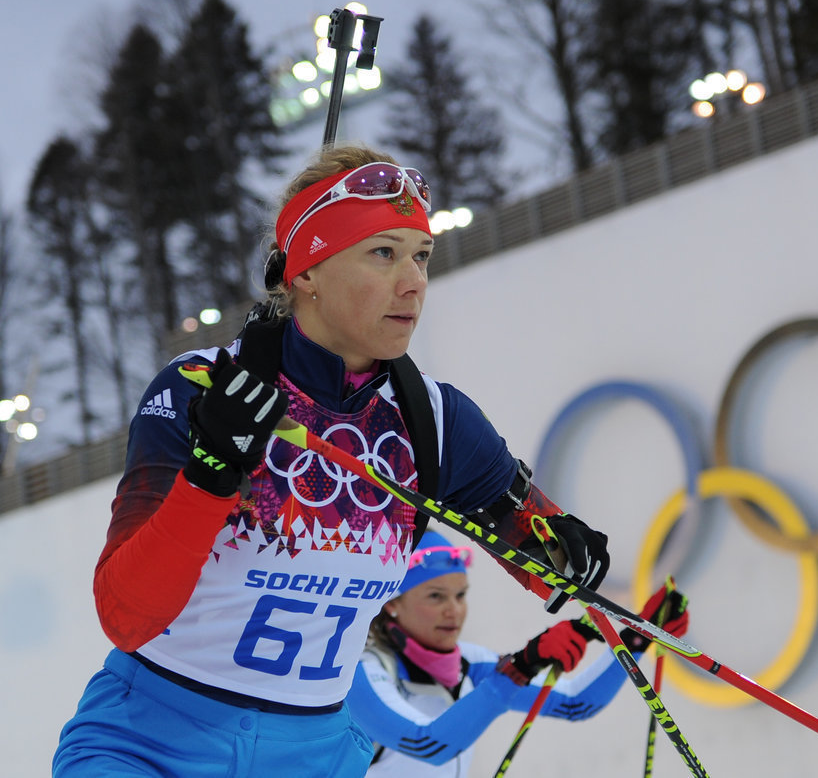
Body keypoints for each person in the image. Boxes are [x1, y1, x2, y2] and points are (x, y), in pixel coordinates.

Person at [53, 145, 615, 778]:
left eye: (421, 256)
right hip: (151, 742)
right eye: (383, 253)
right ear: (306, 273)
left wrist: (571, 555)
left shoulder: (435, 420)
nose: (414, 283)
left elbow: (549, 564)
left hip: (314, 754)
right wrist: (211, 476)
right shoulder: (200, 389)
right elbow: (126, 615)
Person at [346, 531, 690, 777]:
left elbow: (574, 702)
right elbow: (429, 744)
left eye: (460, 595)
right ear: (391, 603)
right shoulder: (359, 673)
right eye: (436, 596)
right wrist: (521, 667)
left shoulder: (470, 664)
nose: (454, 611)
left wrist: (634, 640)